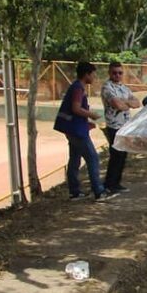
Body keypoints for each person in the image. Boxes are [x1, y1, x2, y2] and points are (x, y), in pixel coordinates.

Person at [53, 62, 114, 202]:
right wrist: (91, 114)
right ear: (87, 74)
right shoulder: (78, 88)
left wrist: (87, 123)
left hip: (74, 129)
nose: (94, 77)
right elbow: (76, 108)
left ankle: (74, 192)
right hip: (77, 132)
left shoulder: (77, 87)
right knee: (92, 158)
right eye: (93, 74)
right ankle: (98, 191)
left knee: (74, 159)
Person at [101, 62, 141, 193]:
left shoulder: (124, 88)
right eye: (114, 73)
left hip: (125, 126)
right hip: (114, 126)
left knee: (123, 155)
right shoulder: (107, 87)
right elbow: (118, 105)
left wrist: (125, 103)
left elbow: (137, 103)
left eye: (120, 72)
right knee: (116, 155)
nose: (117, 75)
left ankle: (116, 182)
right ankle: (109, 183)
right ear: (109, 73)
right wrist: (126, 103)